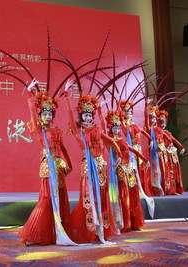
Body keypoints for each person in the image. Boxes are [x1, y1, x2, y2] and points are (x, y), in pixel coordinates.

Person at [18, 79, 74, 246]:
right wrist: (29, 93)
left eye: (50, 113)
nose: (48, 116)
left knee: (60, 199)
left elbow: (63, 149)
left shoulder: (57, 131)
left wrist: (69, 164)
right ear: (41, 115)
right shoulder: (39, 130)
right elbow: (32, 114)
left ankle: (56, 233)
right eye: (45, 113)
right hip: (47, 168)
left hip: (59, 169)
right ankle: (29, 233)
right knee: (46, 199)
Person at [64, 80, 121, 244]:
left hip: (101, 167)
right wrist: (67, 95)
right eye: (85, 115)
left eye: (90, 115)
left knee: (102, 198)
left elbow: (112, 141)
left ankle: (102, 231)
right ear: (80, 116)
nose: (88, 118)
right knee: (89, 197)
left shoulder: (97, 130)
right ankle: (88, 231)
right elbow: (68, 113)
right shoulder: (78, 132)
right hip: (88, 168)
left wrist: (118, 156)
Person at [105, 110, 148, 232]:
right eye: (115, 128)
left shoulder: (122, 140)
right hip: (120, 171)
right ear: (110, 128)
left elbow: (133, 150)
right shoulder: (109, 141)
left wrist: (145, 160)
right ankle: (125, 224)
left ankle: (135, 223)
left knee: (133, 196)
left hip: (130, 170)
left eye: (118, 128)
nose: (117, 130)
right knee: (124, 197)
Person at [119, 101, 153, 196]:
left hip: (138, 149)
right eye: (126, 112)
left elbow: (142, 131)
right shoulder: (125, 126)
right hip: (131, 149)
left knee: (141, 169)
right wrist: (119, 107)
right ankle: (135, 188)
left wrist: (151, 140)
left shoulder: (134, 125)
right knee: (134, 169)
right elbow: (121, 120)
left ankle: (142, 188)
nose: (129, 114)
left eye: (130, 112)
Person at [157, 110, 186, 194]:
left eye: (163, 123)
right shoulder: (158, 132)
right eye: (160, 123)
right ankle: (168, 189)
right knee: (167, 172)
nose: (162, 125)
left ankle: (175, 189)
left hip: (171, 155)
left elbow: (174, 140)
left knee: (173, 172)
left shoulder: (167, 132)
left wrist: (182, 147)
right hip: (164, 155)